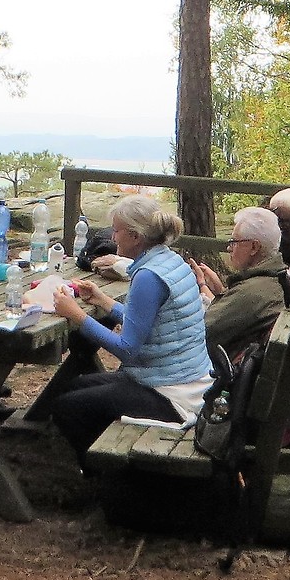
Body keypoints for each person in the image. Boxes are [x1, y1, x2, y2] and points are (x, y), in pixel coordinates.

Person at [49, 194, 212, 461]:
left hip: (172, 394)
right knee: (72, 387)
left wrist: (77, 315)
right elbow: (148, 322)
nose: (112, 238)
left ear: (136, 237)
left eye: (116, 231)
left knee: (67, 407)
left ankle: (101, 473)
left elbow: (127, 349)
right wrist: (103, 301)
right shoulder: (170, 260)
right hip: (186, 379)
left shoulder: (148, 276)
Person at [189, 206, 289, 363]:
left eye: (234, 242)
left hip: (220, 377)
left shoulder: (252, 292)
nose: (229, 248)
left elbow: (200, 333)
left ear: (254, 247)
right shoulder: (276, 278)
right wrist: (219, 290)